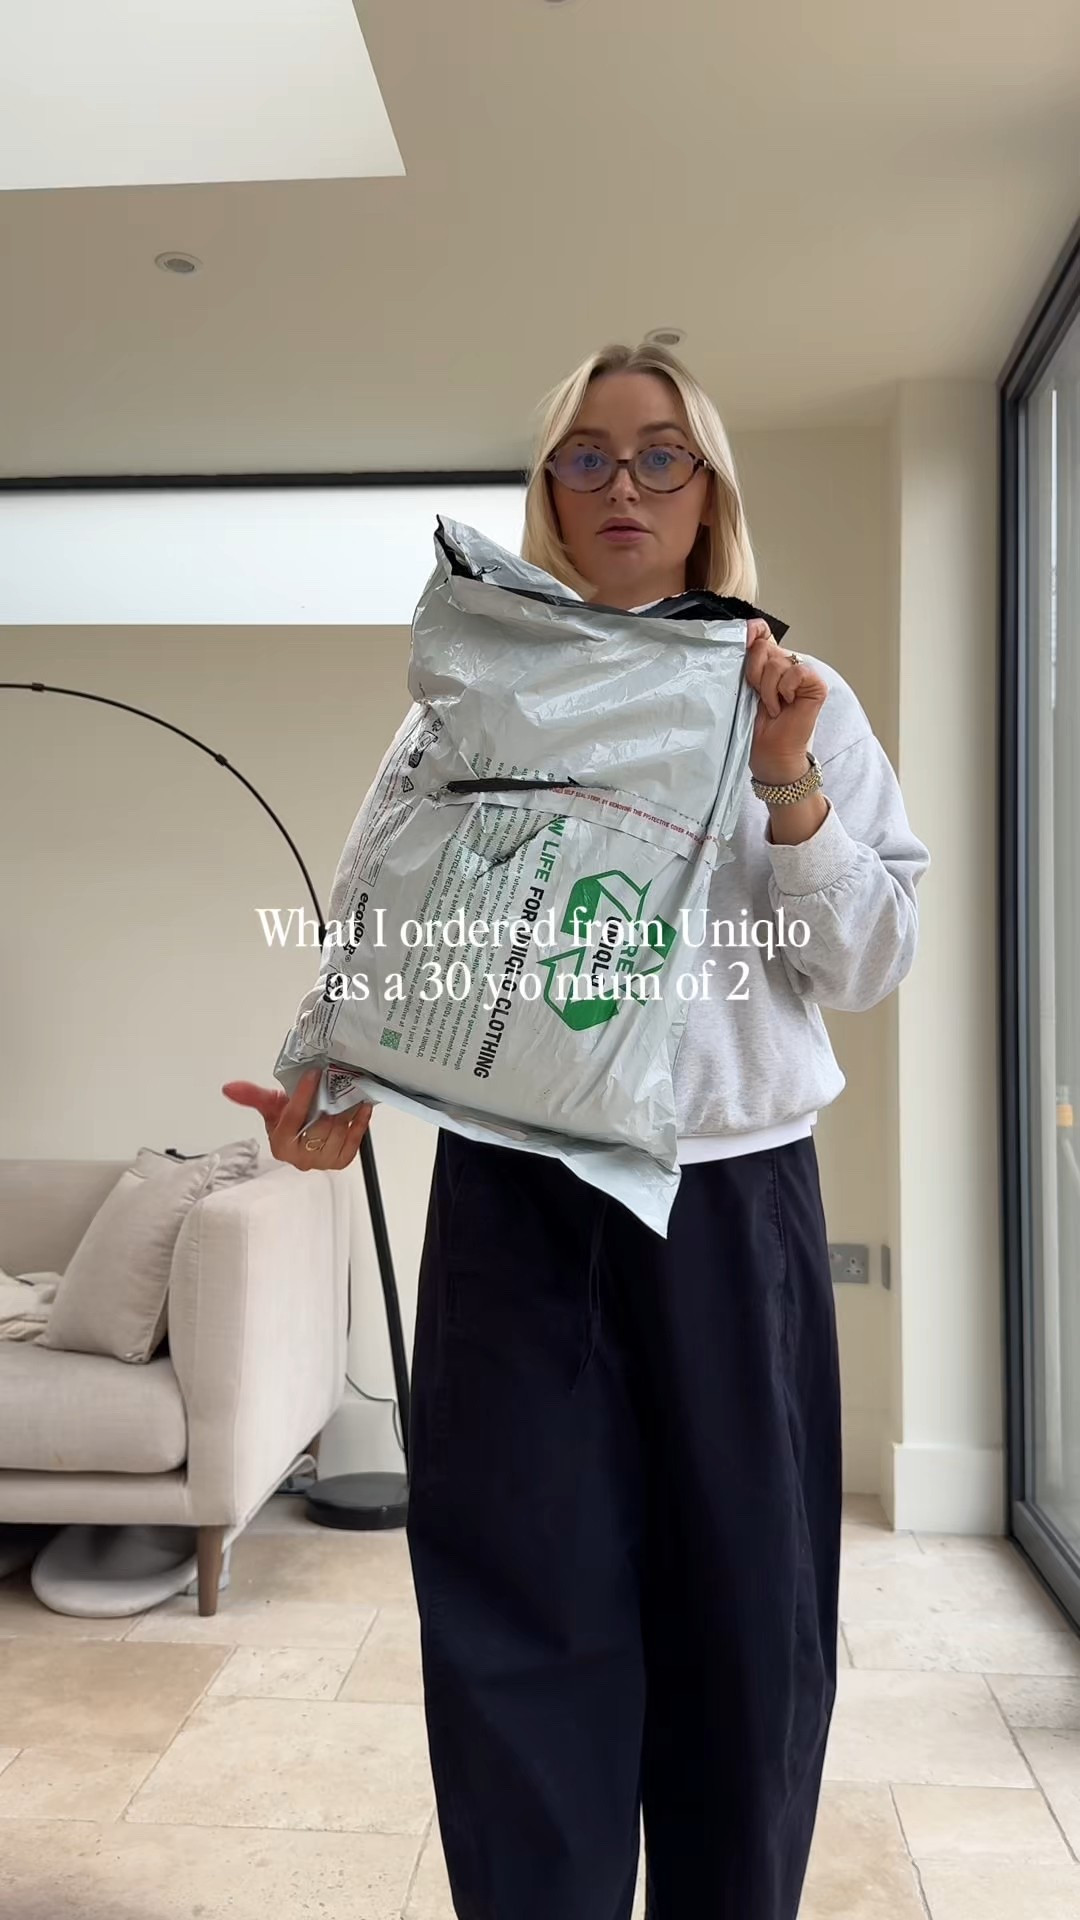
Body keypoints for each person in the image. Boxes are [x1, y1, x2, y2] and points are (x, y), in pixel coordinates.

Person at [225, 341, 929, 1920]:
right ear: (547, 489)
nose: (626, 484)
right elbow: (386, 919)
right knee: (515, 1627)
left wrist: (791, 789)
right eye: (589, 456)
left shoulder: (796, 696)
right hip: (514, 1210)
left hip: (731, 1211)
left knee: (746, 1631)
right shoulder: (477, 689)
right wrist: (329, 1086)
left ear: (709, 488)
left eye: (660, 453)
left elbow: (870, 962)